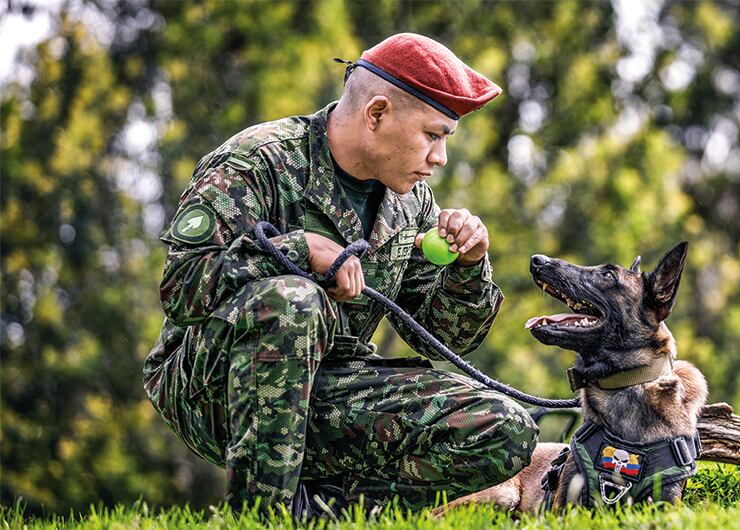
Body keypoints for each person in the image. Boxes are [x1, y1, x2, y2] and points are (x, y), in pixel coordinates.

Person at [143, 33, 538, 514]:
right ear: (376, 114)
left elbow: (444, 338)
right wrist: (299, 250)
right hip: (215, 387)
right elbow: (181, 287)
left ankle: (327, 512)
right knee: (292, 302)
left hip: (332, 388)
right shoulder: (260, 161)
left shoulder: (408, 199)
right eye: (433, 135)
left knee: (505, 428)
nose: (440, 158)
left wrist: (468, 266)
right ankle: (259, 518)